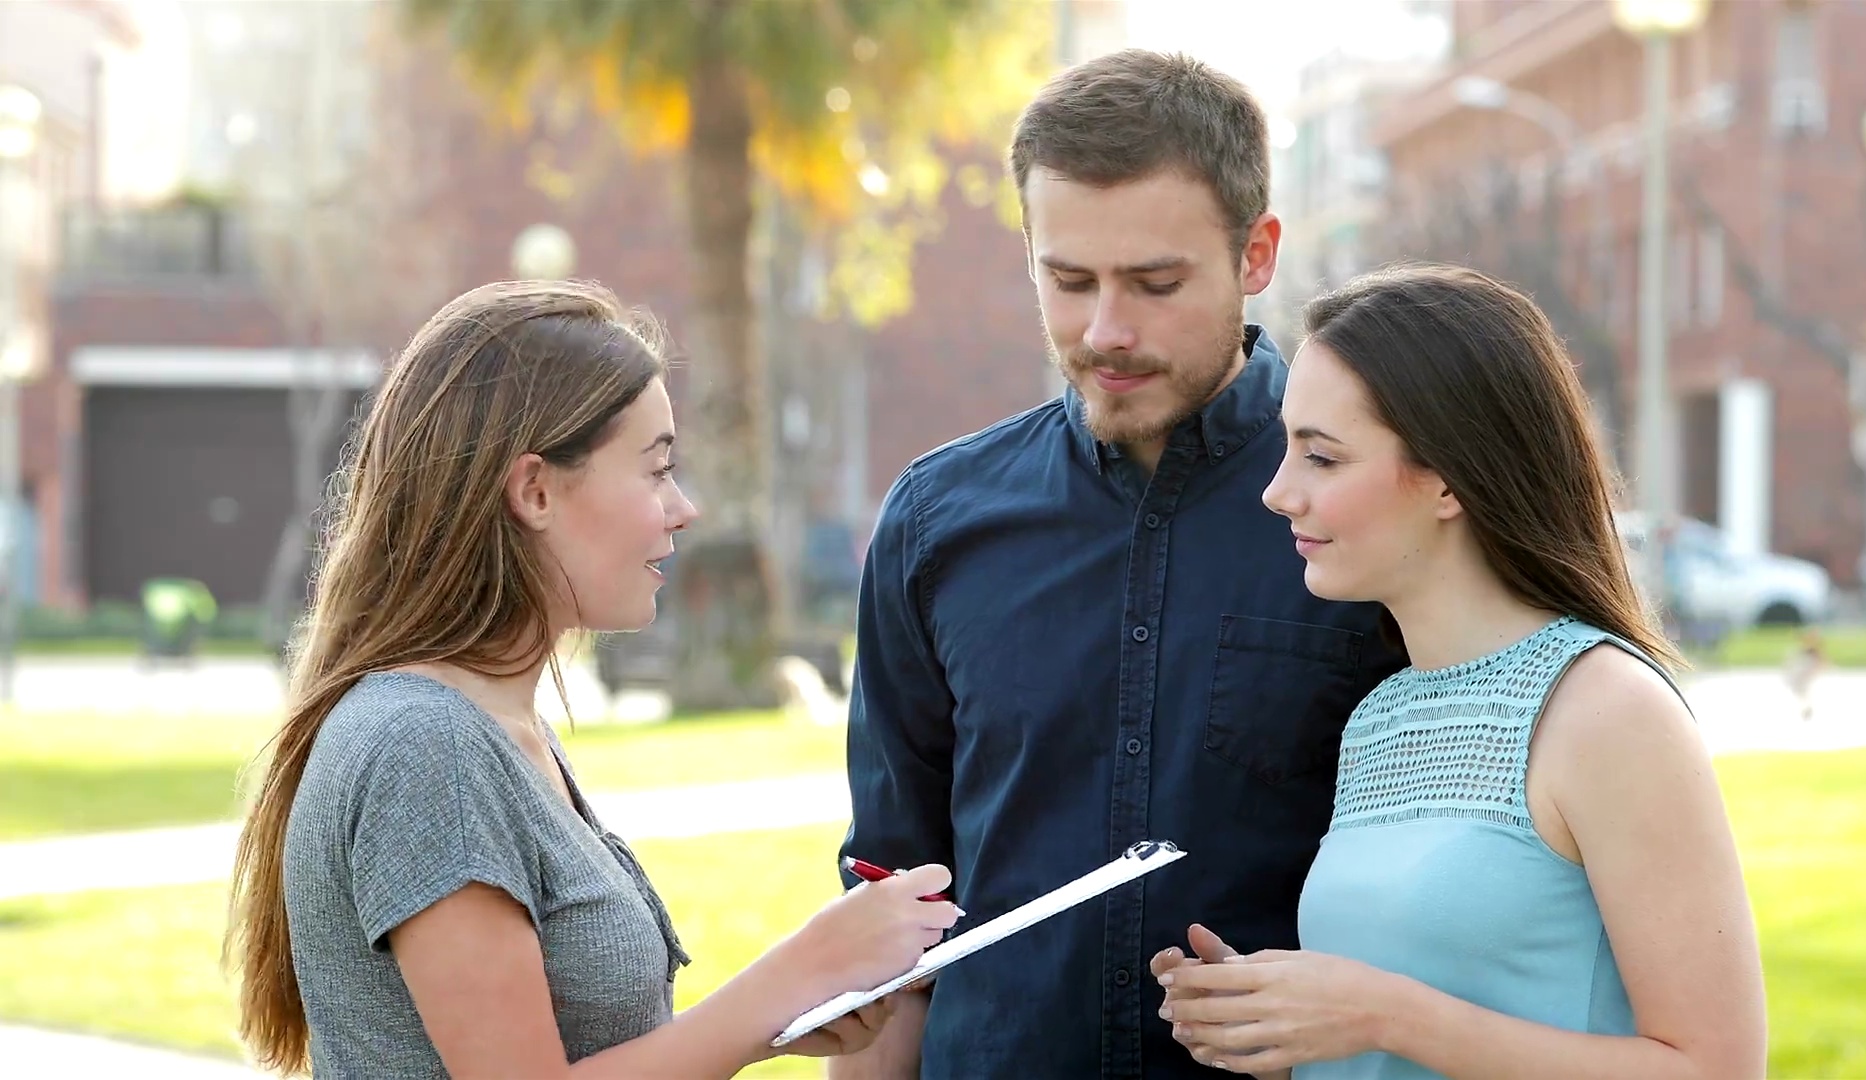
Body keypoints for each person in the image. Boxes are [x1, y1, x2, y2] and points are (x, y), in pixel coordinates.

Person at [832, 50, 1406, 1080]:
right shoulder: (934, 522)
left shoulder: (1372, 502)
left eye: (1154, 283)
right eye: (1068, 280)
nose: (1106, 331)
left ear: (1257, 253)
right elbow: (894, 915)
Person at [223, 280, 961, 1079]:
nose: (683, 508)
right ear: (534, 491)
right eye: (655, 471)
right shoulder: (424, 746)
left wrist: (784, 1018)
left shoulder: (494, 728)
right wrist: (792, 977)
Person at [1153, 265, 1767, 1079]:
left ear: (1447, 477)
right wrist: (1276, 1025)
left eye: (1324, 459)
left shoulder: (1606, 711)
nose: (1278, 493)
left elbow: (1718, 1069)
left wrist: (1383, 1014)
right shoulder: (1380, 716)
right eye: (1287, 451)